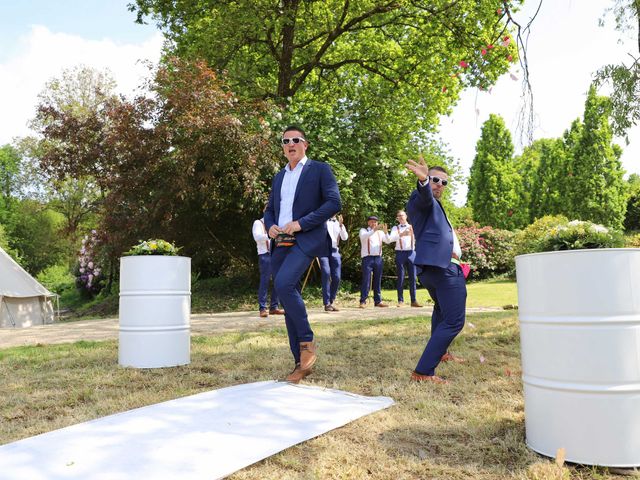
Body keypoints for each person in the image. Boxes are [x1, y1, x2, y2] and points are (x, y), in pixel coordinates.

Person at [264, 125, 341, 383]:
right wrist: (270, 224)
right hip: (280, 243)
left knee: (284, 284)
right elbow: (270, 209)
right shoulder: (278, 176)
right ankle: (299, 363)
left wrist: (301, 223)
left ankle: (307, 342)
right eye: (285, 141)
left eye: (295, 140)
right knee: (286, 294)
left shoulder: (319, 169)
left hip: (305, 239)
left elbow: (333, 203)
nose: (290, 144)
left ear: (305, 144)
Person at [405, 158, 466, 384]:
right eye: (435, 180)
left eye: (444, 182)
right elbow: (423, 197)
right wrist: (422, 181)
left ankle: (441, 353)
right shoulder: (422, 200)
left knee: (442, 313)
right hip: (444, 268)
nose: (439, 184)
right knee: (454, 321)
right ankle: (423, 372)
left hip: (438, 268)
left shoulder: (436, 207)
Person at [252, 215, 284, 318]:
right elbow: (257, 237)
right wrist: (270, 235)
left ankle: (274, 307)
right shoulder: (258, 223)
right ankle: (262, 308)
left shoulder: (274, 224)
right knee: (265, 281)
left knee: (278, 281)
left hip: (275, 254)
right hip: (264, 255)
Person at [388, 210, 422, 308]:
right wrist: (402, 234)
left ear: (406, 216)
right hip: (400, 253)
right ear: (397, 218)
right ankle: (400, 300)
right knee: (400, 277)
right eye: (398, 216)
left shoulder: (412, 226)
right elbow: (390, 239)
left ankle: (414, 300)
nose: (401, 217)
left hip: (411, 253)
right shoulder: (395, 228)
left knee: (413, 277)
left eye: (402, 215)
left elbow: (419, 238)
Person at [358, 216, 391, 308]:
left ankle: (378, 301)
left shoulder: (380, 233)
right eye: (372, 222)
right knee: (366, 280)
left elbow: (388, 241)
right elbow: (364, 237)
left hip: (378, 258)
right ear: (368, 223)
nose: (374, 224)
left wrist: (386, 232)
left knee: (378, 280)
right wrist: (374, 230)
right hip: (367, 258)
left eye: (375, 222)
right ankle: (363, 301)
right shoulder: (363, 231)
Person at [320, 214, 348, 312]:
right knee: (326, 274)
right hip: (323, 251)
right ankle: (326, 303)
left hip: (335, 251)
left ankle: (331, 301)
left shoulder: (339, 224)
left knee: (337, 277)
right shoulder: (323, 221)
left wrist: (341, 226)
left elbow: (345, 238)